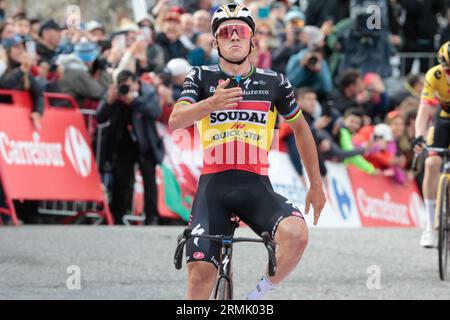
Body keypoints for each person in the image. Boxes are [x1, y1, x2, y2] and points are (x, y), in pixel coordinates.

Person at [169, 3, 326, 300]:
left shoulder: (274, 82)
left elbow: (302, 130)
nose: (234, 37)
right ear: (215, 41)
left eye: (240, 31)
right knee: (199, 277)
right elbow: (176, 121)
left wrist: (316, 185)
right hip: (213, 187)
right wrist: (210, 104)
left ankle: (252, 299)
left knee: (297, 235)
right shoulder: (200, 76)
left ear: (252, 40)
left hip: (256, 185)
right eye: (225, 32)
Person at [97, 70, 164, 226]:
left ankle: (152, 217)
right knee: (122, 180)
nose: (125, 89)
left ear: (135, 82)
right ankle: (117, 216)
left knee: (149, 181)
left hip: (145, 142)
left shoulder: (147, 91)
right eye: (123, 86)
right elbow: (100, 117)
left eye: (128, 85)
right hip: (123, 142)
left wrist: (134, 100)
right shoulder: (114, 92)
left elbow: (155, 112)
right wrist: (109, 101)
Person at [413, 41, 450, 248]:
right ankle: (429, 226)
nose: (449, 74)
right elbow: (423, 110)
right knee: (431, 164)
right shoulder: (434, 75)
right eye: (447, 69)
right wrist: (419, 135)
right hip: (443, 120)